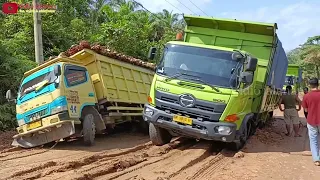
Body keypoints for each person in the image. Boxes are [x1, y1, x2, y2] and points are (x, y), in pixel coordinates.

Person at [302, 78, 320, 166]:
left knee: (313, 140)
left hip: (311, 120)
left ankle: (316, 159)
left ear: (310, 85)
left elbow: (305, 110)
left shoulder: (306, 96)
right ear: (318, 84)